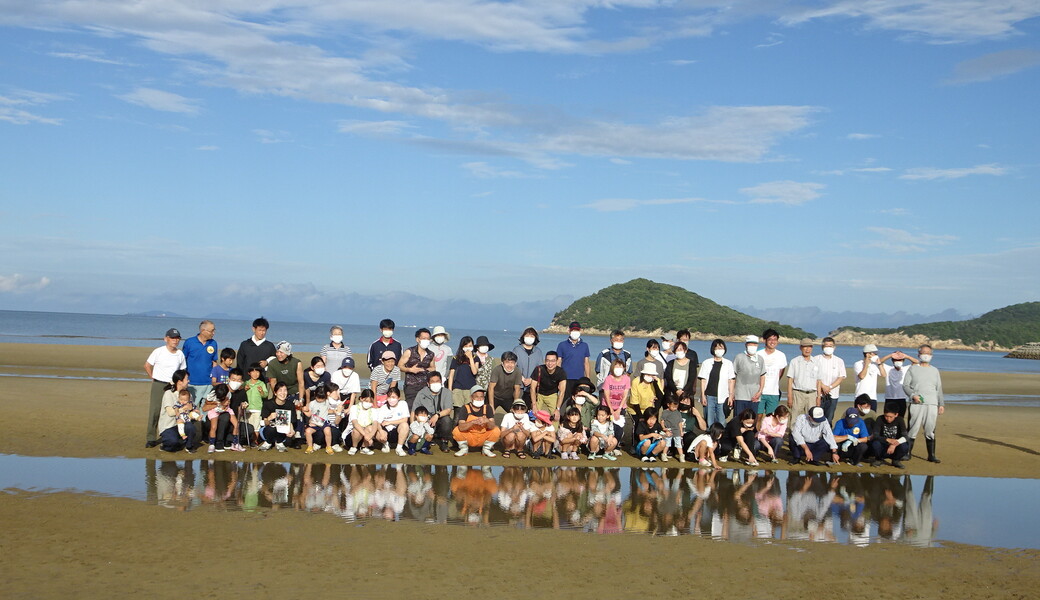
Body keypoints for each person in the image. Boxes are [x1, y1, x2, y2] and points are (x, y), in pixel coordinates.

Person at [902, 344, 945, 463]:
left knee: (930, 429)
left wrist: (941, 404)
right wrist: (913, 395)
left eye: (928, 353)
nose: (926, 355)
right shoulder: (913, 369)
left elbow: (939, 388)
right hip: (917, 403)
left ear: (931, 355)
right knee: (912, 428)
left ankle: (931, 455)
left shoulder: (935, 370)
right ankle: (907, 453)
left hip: (932, 404)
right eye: (923, 353)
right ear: (919, 354)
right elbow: (905, 386)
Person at [144, 328, 187, 448]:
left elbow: (182, 370)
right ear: (166, 339)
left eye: (177, 338)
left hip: (173, 386)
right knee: (155, 411)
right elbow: (147, 365)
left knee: (175, 410)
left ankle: (172, 434)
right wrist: (152, 377)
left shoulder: (180, 354)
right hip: (159, 384)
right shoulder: (158, 351)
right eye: (172, 338)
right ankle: (151, 438)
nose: (175, 340)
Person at [411, 371, 455, 452]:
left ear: (441, 382)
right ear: (428, 383)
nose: (435, 383)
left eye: (437, 381)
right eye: (432, 381)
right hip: (426, 420)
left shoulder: (447, 392)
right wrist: (412, 426)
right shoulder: (421, 393)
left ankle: (444, 442)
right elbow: (414, 411)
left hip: (440, 418)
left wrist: (437, 415)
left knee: (447, 420)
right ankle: (427, 440)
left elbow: (448, 410)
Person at [156, 370, 198, 452]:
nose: (188, 381)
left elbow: (192, 408)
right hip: (169, 426)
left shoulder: (188, 395)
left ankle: (188, 446)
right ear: (180, 382)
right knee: (172, 443)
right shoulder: (169, 394)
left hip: (183, 423)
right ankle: (166, 445)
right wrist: (184, 408)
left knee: (191, 427)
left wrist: (195, 411)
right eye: (186, 379)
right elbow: (171, 413)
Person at [452, 386, 500, 457]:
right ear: (471, 397)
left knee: (496, 430)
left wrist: (487, 421)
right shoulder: (465, 408)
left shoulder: (487, 407)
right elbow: (461, 427)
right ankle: (464, 449)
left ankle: (486, 449)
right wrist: (472, 422)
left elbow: (492, 425)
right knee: (456, 431)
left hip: (483, 435)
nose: (480, 399)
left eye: (481, 397)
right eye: (477, 397)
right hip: (469, 436)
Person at [698, 339, 735, 427]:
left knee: (721, 420)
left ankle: (721, 439)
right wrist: (703, 395)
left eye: (721, 347)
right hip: (709, 396)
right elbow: (703, 380)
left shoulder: (728, 363)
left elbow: (731, 380)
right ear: (713, 349)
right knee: (709, 420)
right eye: (717, 347)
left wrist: (731, 396)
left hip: (723, 396)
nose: (719, 349)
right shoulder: (706, 363)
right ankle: (710, 438)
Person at [182, 320, 218, 404]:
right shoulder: (189, 342)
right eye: (211, 331)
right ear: (203, 331)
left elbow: (214, 362)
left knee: (205, 409)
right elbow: (183, 361)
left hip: (207, 383)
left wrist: (214, 378)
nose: (213, 333)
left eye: (214, 330)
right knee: (191, 408)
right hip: (191, 382)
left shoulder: (213, 343)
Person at [600, 358, 631, 451]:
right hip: (608, 406)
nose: (618, 368)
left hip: (620, 406)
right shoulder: (608, 379)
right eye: (616, 366)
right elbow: (606, 394)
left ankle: (616, 446)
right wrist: (611, 410)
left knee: (619, 427)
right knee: (608, 426)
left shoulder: (626, 379)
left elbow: (626, 394)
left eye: (621, 366)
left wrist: (619, 409)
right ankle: (606, 445)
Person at [732, 335, 766, 419]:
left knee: (752, 420)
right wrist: (732, 393)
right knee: (739, 419)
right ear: (746, 345)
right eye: (750, 344)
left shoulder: (760, 359)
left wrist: (760, 391)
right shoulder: (739, 357)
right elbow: (733, 377)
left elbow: (762, 376)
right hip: (740, 395)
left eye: (754, 344)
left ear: (757, 345)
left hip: (755, 396)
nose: (752, 346)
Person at [756, 329, 788, 417]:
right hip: (759, 391)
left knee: (771, 417)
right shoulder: (758, 354)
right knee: (758, 416)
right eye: (770, 339)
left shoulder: (781, 355)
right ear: (764, 340)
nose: (772, 342)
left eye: (775, 339)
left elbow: (781, 371)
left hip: (773, 392)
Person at [258, 381, 297, 452]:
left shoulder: (290, 405)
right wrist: (270, 417)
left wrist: (292, 431)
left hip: (283, 431)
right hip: (268, 430)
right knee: (272, 428)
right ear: (275, 393)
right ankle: (268, 442)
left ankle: (279, 442)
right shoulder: (268, 403)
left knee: (286, 432)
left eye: (285, 390)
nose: (283, 393)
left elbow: (291, 421)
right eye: (280, 390)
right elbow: (264, 423)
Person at [205, 383, 244, 453]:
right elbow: (207, 402)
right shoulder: (212, 394)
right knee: (214, 427)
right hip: (215, 409)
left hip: (226, 409)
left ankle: (235, 443)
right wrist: (218, 403)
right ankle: (212, 444)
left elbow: (228, 402)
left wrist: (226, 404)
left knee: (236, 424)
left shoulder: (228, 394)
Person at [814, 337, 846, 423]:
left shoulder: (839, 361)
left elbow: (841, 377)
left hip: (833, 393)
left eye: (830, 346)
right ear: (822, 347)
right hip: (819, 394)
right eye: (826, 345)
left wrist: (830, 387)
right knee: (816, 417)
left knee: (829, 418)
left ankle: (826, 435)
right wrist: (823, 386)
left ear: (834, 347)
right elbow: (814, 376)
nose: (828, 347)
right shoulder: (816, 359)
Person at [399, 328, 435, 403]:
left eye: (428, 339)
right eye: (424, 338)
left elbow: (433, 368)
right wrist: (410, 370)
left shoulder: (431, 354)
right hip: (411, 386)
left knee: (423, 409)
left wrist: (426, 369)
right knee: (411, 407)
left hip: (425, 386)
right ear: (418, 339)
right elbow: (399, 366)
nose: (426, 340)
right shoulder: (409, 351)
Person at [556, 321, 590, 399]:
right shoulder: (562, 345)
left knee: (578, 400)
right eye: (573, 330)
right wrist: (558, 378)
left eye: (577, 330)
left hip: (580, 378)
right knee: (565, 400)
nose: (575, 332)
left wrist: (587, 378)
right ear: (569, 331)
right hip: (565, 378)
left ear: (580, 331)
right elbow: (559, 362)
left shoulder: (585, 345)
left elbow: (586, 362)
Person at [786, 338, 820, 417]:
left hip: (812, 394)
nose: (807, 349)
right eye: (805, 347)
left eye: (809, 347)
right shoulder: (794, 361)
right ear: (800, 347)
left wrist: (818, 397)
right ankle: (793, 430)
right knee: (795, 417)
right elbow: (790, 379)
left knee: (811, 417)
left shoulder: (817, 362)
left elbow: (819, 381)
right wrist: (789, 396)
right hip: (798, 393)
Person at [448, 336, 482, 414]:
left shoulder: (475, 358)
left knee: (469, 412)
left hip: (470, 389)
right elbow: (451, 374)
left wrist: (470, 358)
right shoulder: (456, 358)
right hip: (458, 388)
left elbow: (474, 372)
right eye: (466, 346)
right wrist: (450, 390)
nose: (468, 348)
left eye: (470, 346)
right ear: (462, 347)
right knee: (458, 412)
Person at [881, 350, 917, 421]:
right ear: (892, 360)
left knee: (900, 419)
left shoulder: (906, 369)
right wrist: (891, 355)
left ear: (903, 361)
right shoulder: (888, 369)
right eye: (895, 360)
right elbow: (879, 361)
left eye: (900, 360)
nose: (898, 361)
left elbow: (916, 362)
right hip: (889, 398)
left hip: (902, 398)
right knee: (888, 418)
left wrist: (906, 356)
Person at [870, 403, 910, 468]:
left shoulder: (900, 420)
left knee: (905, 446)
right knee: (875, 443)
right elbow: (875, 435)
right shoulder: (880, 419)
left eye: (891, 417)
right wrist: (887, 440)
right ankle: (879, 459)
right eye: (886, 416)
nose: (888, 419)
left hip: (895, 446)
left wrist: (894, 444)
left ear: (896, 415)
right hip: (883, 445)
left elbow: (905, 436)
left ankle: (896, 460)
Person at [529, 351, 567, 418]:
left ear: (557, 361)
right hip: (539, 394)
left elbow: (562, 392)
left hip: (552, 394)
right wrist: (534, 405)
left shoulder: (561, 372)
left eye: (553, 361)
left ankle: (553, 428)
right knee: (535, 415)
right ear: (545, 361)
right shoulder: (539, 369)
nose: (550, 363)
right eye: (548, 361)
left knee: (555, 416)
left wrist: (557, 409)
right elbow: (532, 388)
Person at [375, 387, 410, 456]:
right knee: (377, 433)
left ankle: (399, 447)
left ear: (398, 398)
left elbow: (405, 419)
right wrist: (381, 432)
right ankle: (385, 444)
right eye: (389, 397)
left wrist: (389, 422)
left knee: (405, 425)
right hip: (386, 432)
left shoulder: (403, 404)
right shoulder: (383, 408)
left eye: (393, 397)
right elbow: (378, 423)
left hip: (397, 431)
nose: (391, 399)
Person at [512, 327, 544, 400]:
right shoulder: (517, 350)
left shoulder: (538, 351)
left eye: (532, 336)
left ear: (535, 338)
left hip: (532, 384)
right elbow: (513, 366)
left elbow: (540, 368)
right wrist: (522, 378)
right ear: (523, 337)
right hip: (519, 383)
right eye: (527, 335)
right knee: (518, 404)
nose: (529, 338)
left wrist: (531, 379)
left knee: (530, 406)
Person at [853, 344, 887, 413]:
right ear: (868, 354)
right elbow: (862, 376)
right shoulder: (858, 364)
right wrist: (866, 364)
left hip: (872, 397)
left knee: (872, 418)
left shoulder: (875, 365)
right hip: (860, 396)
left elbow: (883, 375)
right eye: (874, 353)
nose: (876, 355)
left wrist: (879, 363)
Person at [302, 386, 336, 455]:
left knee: (327, 430)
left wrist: (334, 411)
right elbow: (309, 414)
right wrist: (304, 410)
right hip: (314, 422)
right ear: (315, 395)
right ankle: (310, 446)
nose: (320, 400)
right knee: (308, 431)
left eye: (322, 398)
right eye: (318, 398)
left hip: (324, 422)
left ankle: (328, 447)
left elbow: (333, 397)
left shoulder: (327, 402)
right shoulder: (312, 403)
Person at [663, 341, 698, 406]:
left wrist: (683, 391)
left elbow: (691, 380)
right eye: (677, 349)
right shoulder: (671, 363)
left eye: (681, 349)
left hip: (686, 394)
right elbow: (669, 378)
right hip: (673, 393)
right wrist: (676, 391)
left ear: (685, 350)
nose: (679, 351)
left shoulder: (691, 364)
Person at [347, 390, 379, 455]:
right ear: (361, 399)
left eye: (370, 402)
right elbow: (355, 423)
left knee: (370, 427)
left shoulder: (374, 410)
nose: (368, 403)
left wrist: (371, 435)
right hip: (353, 437)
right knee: (357, 430)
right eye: (366, 401)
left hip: (366, 438)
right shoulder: (354, 408)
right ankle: (354, 447)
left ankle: (365, 447)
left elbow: (375, 424)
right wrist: (366, 435)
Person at [659, 395, 686, 463]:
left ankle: (681, 456)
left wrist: (681, 431)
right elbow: (662, 421)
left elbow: (680, 422)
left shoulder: (678, 413)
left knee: (678, 444)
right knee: (667, 443)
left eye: (676, 407)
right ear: (668, 404)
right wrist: (664, 428)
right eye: (673, 407)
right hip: (669, 430)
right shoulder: (665, 412)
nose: (675, 408)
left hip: (676, 430)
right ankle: (664, 455)